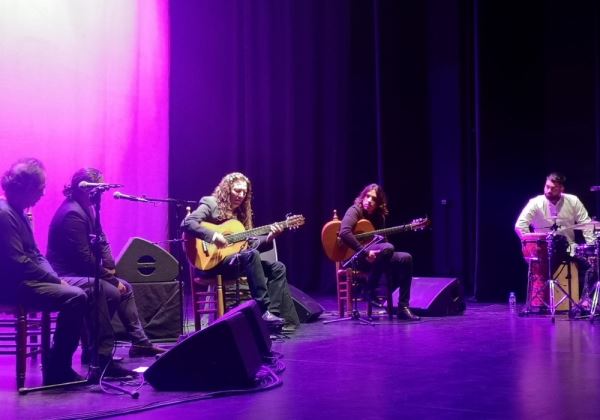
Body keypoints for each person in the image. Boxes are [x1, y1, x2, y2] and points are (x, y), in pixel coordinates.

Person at [0, 158, 116, 385]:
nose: (43, 193)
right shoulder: (4, 214)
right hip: (14, 286)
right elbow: (18, 261)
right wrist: (55, 281)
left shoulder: (19, 211)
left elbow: (36, 254)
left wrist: (54, 279)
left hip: (30, 279)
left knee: (97, 289)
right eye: (40, 188)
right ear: (26, 188)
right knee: (75, 296)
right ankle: (58, 368)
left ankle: (100, 359)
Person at [47, 168, 165, 357]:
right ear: (87, 189)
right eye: (100, 188)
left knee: (124, 289)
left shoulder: (86, 207)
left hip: (81, 271)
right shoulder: (72, 213)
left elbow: (101, 237)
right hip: (66, 274)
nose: (102, 193)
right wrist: (110, 280)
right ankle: (97, 352)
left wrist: (109, 265)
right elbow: (83, 260)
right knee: (110, 291)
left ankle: (139, 344)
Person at [182, 172, 300, 330]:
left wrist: (270, 238)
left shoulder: (242, 213)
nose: (241, 195)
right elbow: (187, 223)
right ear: (227, 189)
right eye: (237, 190)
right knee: (251, 256)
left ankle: (271, 316)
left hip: (233, 263)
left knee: (278, 268)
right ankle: (262, 310)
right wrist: (213, 235)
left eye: (244, 192)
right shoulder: (211, 203)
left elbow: (247, 245)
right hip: (210, 264)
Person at [515, 172, 596, 313]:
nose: (548, 190)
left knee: (591, 265)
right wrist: (530, 244)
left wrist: (591, 248)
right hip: (544, 249)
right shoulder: (535, 202)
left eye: (553, 188)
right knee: (542, 269)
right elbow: (520, 225)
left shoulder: (573, 201)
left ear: (561, 189)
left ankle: (584, 302)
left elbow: (586, 224)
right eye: (547, 186)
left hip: (568, 247)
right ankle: (539, 303)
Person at [339, 183, 420, 321]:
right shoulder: (355, 210)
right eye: (367, 196)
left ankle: (403, 307)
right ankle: (370, 288)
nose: (369, 201)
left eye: (374, 199)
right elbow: (344, 232)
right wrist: (364, 252)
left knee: (406, 258)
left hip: (376, 258)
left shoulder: (379, 217)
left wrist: (379, 251)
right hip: (356, 258)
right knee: (388, 247)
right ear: (363, 197)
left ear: (378, 203)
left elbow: (383, 243)